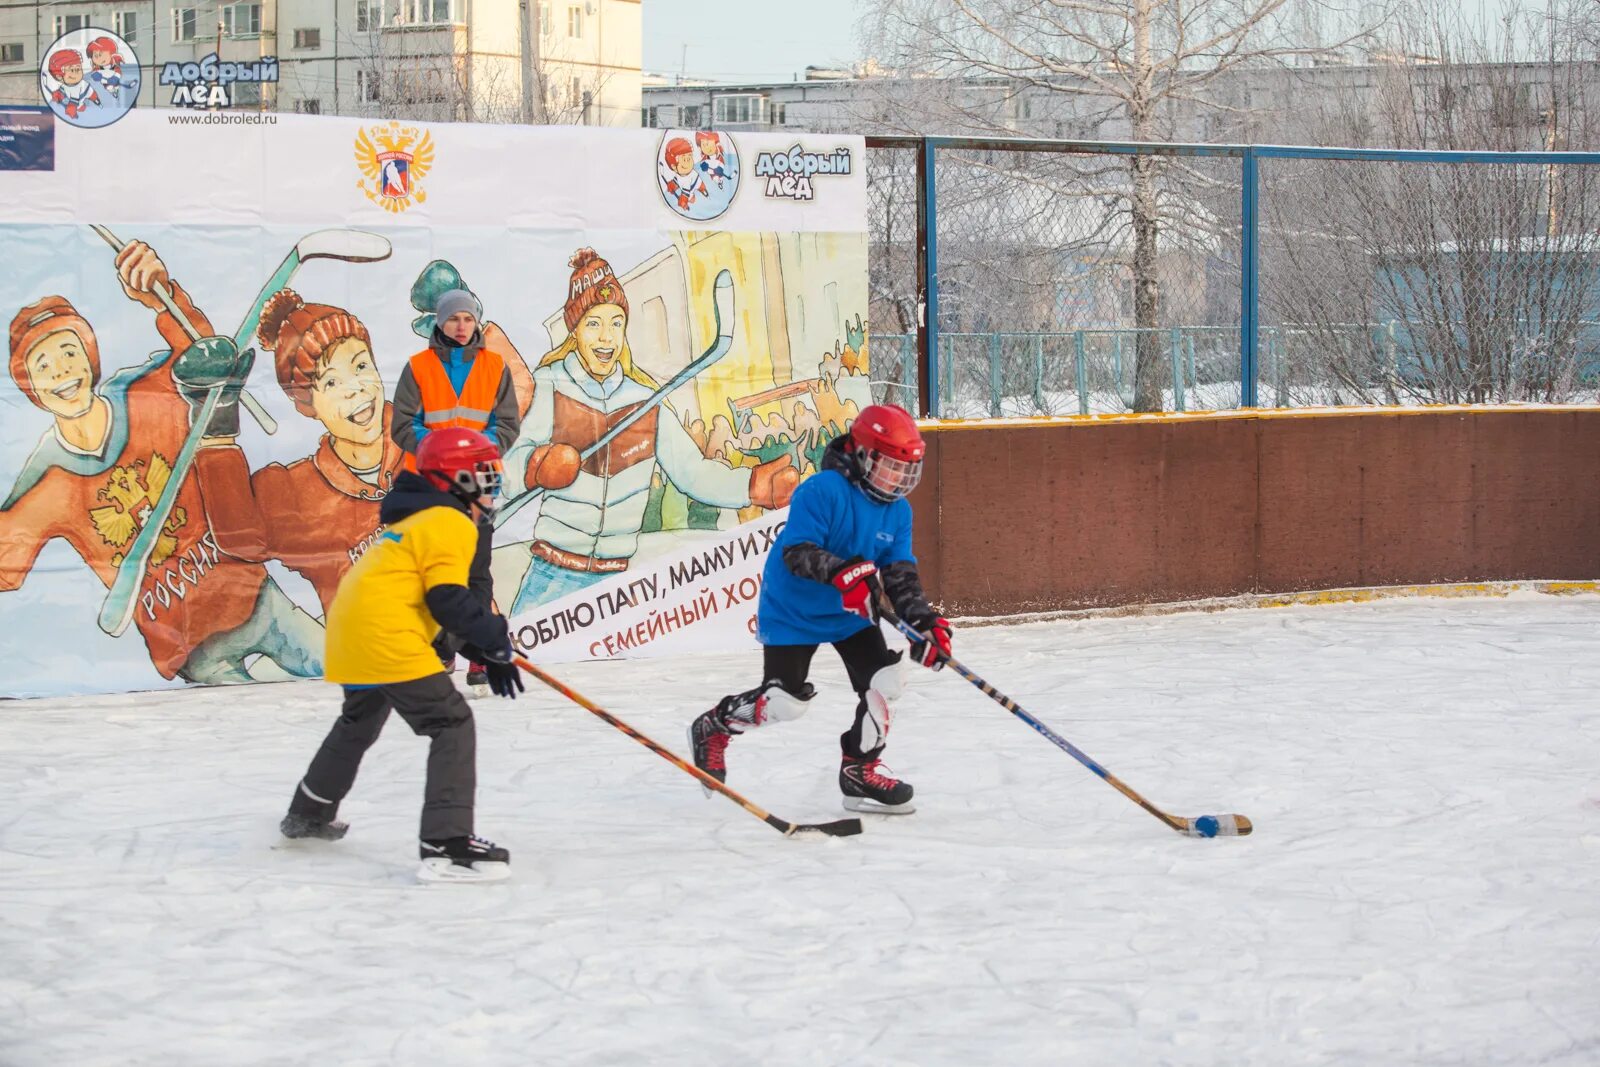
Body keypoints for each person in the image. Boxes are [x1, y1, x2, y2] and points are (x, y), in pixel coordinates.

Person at [0, 240, 322, 685]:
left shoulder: (145, 393)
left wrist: (160, 293)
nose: (60, 370)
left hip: (255, 598)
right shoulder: (45, 480)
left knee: (350, 675)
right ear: (28, 383)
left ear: (90, 359)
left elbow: (204, 353)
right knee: (251, 737)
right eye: (42, 363)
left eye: (69, 352)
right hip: (191, 647)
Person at [279, 428, 524, 884]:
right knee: (451, 722)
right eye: (486, 474)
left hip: (354, 629)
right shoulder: (450, 521)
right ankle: (447, 844)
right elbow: (448, 599)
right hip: (385, 633)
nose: (493, 484)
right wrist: (492, 636)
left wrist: (481, 648)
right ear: (460, 478)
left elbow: (431, 606)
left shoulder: (417, 519)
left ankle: (308, 813)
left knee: (361, 719)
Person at [687, 404, 952, 815]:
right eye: (890, 467)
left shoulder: (899, 511)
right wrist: (844, 573)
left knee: (885, 683)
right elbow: (797, 552)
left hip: (850, 613)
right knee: (785, 703)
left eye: (906, 471)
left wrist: (923, 623)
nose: (899, 480)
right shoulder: (822, 490)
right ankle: (715, 725)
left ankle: (860, 770)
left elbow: (899, 573)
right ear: (864, 456)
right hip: (794, 608)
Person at [503, 248, 797, 615]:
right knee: (521, 666)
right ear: (574, 330)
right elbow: (505, 468)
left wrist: (752, 486)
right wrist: (536, 464)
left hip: (614, 589)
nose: (606, 338)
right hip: (552, 574)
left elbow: (693, 473)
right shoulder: (550, 386)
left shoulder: (646, 401)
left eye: (615, 323)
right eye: (593, 323)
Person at [192, 289, 404, 615]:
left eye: (361, 365)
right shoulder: (296, 494)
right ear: (309, 405)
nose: (355, 388)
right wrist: (218, 430)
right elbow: (240, 536)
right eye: (331, 383)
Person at [390, 288, 521, 696]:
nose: (461, 327)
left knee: (475, 573)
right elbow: (402, 425)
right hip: (429, 482)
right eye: (453, 319)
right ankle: (441, 647)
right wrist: (440, 452)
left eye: (468, 319)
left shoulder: (495, 367)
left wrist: (476, 452)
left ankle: (479, 653)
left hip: (477, 482)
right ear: (439, 324)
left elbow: (507, 424)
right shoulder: (418, 368)